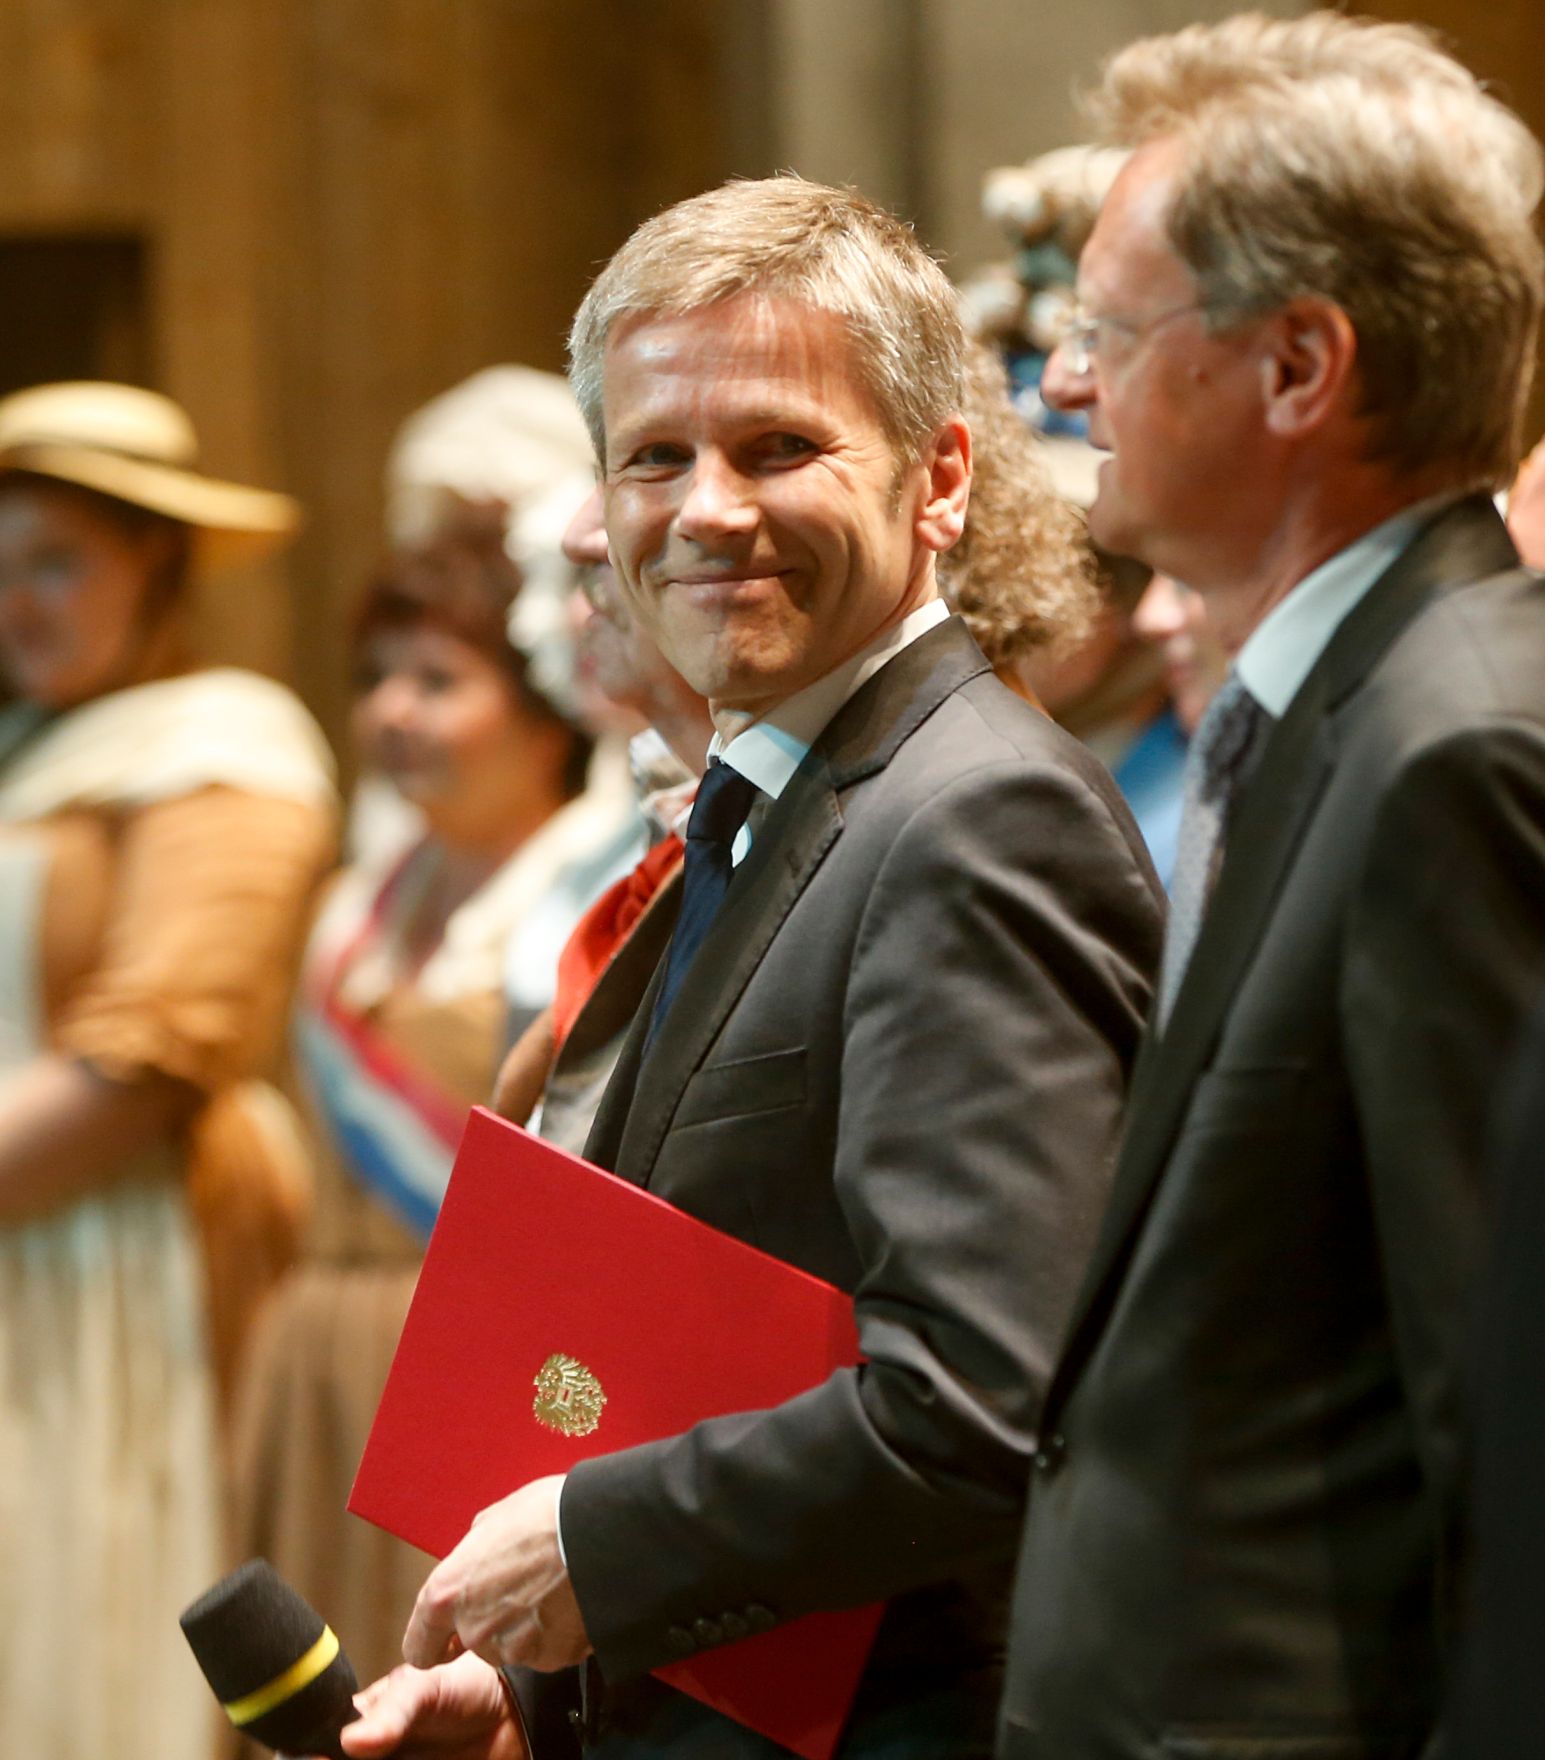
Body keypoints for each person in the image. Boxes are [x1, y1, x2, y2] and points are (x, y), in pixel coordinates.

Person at [333, 174, 1164, 1758]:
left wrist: (598, 1547)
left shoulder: (973, 812)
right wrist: (540, 1689)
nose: (706, 508)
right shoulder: (784, 788)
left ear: (939, 480)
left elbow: (975, 1404)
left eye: (777, 446)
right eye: (655, 457)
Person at [997, 15, 1545, 1757]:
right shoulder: (1347, 704)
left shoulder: (1454, 750)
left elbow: (1504, 1414)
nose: (1064, 387)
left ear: (1301, 365)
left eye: (1104, 331)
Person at [0, 380, 337, 1760]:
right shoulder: (33, 751)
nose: (17, 604)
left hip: (118, 1248)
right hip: (22, 1244)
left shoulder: (224, 745)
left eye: (57, 563)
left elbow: (152, 1057)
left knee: (105, 1606)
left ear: (160, 560)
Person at [228, 513, 593, 1705]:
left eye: (439, 679)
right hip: (325, 1346)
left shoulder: (587, 897)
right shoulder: (353, 899)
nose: (395, 710)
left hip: (477, 1348)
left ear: (543, 704)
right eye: (377, 677)